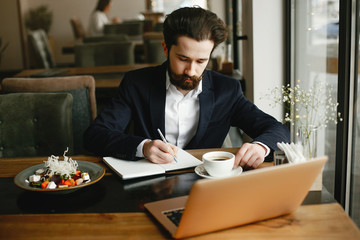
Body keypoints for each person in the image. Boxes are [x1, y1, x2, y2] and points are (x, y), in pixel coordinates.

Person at [84, 7, 290, 169]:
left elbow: (277, 129)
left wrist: (260, 147)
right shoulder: (136, 83)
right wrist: (143, 147)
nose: (191, 71)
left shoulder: (227, 90)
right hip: (149, 183)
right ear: (166, 49)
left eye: (201, 61)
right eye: (183, 59)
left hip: (207, 185)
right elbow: (96, 134)